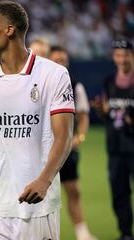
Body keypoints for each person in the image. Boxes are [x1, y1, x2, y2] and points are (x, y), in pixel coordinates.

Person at [0, 1, 75, 240]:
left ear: (9, 29)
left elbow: (64, 137)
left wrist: (45, 180)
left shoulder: (54, 74)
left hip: (36, 207)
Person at [49, 46, 97, 240]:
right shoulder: (42, 85)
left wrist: (80, 137)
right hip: (46, 148)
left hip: (68, 148)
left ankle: (82, 233)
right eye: (56, 59)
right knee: (44, 194)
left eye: (63, 59)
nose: (60, 62)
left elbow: (84, 115)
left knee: (73, 190)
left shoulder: (75, 85)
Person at [92, 39, 134, 240]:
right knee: (119, 193)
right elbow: (108, 113)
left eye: (125, 54)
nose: (122, 59)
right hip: (115, 147)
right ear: (113, 57)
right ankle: (125, 233)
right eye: (118, 55)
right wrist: (102, 111)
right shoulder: (109, 82)